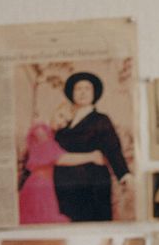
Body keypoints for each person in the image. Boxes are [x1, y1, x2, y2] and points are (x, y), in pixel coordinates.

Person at [52, 72, 131, 222]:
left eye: (87, 89)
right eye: (78, 89)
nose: (82, 93)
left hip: (92, 186)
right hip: (65, 188)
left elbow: (113, 149)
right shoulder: (64, 123)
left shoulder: (101, 119)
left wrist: (124, 175)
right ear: (72, 93)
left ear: (94, 93)